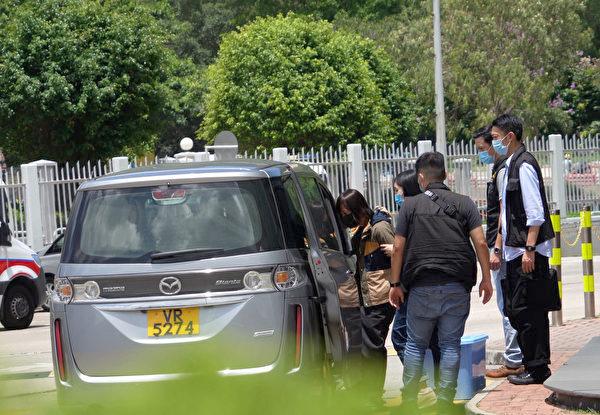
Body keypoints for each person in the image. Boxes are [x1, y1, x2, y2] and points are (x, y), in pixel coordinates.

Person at [389, 152, 493, 414]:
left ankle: (410, 400)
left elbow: (398, 247)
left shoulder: (410, 206)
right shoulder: (465, 203)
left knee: (415, 344)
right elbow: (480, 242)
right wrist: (486, 279)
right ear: (446, 175)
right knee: (449, 345)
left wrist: (395, 283)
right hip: (456, 287)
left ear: (421, 178)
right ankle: (445, 401)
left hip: (421, 287)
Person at [490, 113, 555, 385]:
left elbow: (535, 212)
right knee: (518, 310)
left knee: (529, 311)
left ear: (510, 137)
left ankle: (537, 368)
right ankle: (532, 363)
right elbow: (508, 213)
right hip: (514, 251)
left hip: (527, 252)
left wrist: (529, 248)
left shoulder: (524, 165)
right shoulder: (510, 164)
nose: (494, 143)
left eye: (495, 138)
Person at [335, 189, 396, 408]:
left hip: (381, 296)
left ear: (358, 208)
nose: (345, 216)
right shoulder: (361, 228)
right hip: (368, 296)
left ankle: (373, 396)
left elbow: (398, 254)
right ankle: (368, 394)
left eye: (347, 211)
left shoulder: (379, 227)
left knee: (372, 348)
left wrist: (396, 287)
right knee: (366, 347)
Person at [473, 126, 524, 378]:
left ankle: (514, 360)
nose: (481, 154)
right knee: (509, 303)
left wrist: (496, 247)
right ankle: (517, 357)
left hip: (501, 248)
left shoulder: (503, 169)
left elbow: (504, 213)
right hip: (501, 245)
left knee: (507, 305)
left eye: (483, 148)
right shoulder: (498, 169)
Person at [388, 171, 441, 385]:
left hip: (412, 286)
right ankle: (439, 385)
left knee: (400, 336)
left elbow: (402, 248)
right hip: (430, 283)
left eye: (397, 191)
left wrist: (395, 283)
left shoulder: (409, 213)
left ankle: (420, 382)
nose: (396, 196)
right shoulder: (427, 210)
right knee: (434, 339)